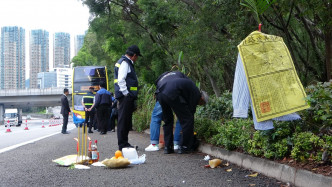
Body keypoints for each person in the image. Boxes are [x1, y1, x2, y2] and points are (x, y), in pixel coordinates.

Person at [156, 73, 208, 154]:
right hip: (171, 91)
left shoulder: (177, 77)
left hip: (160, 93)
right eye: (202, 103)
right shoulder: (196, 93)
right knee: (188, 120)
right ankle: (184, 146)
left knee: (168, 120)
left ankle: (168, 147)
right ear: (202, 98)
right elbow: (190, 113)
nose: (200, 105)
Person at [114, 45, 142, 150]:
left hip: (125, 96)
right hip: (125, 96)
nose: (137, 58)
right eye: (137, 56)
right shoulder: (125, 63)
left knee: (125, 120)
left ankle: (124, 143)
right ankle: (122, 145)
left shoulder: (123, 61)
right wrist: (126, 93)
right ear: (134, 55)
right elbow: (121, 80)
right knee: (123, 121)